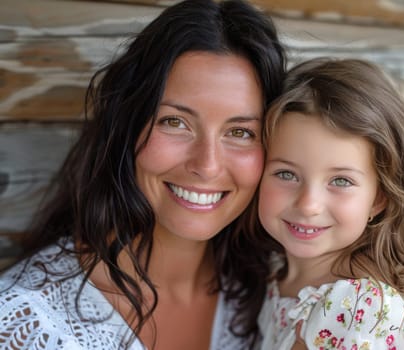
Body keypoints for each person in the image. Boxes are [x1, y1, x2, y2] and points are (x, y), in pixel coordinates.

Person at [0, 0, 285, 349]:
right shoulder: (28, 325)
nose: (207, 165)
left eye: (240, 132)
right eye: (175, 122)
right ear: (127, 128)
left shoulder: (274, 292)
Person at [249, 57, 404, 349]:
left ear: (379, 198)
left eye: (341, 181)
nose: (308, 204)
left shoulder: (363, 309)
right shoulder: (274, 269)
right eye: (286, 174)